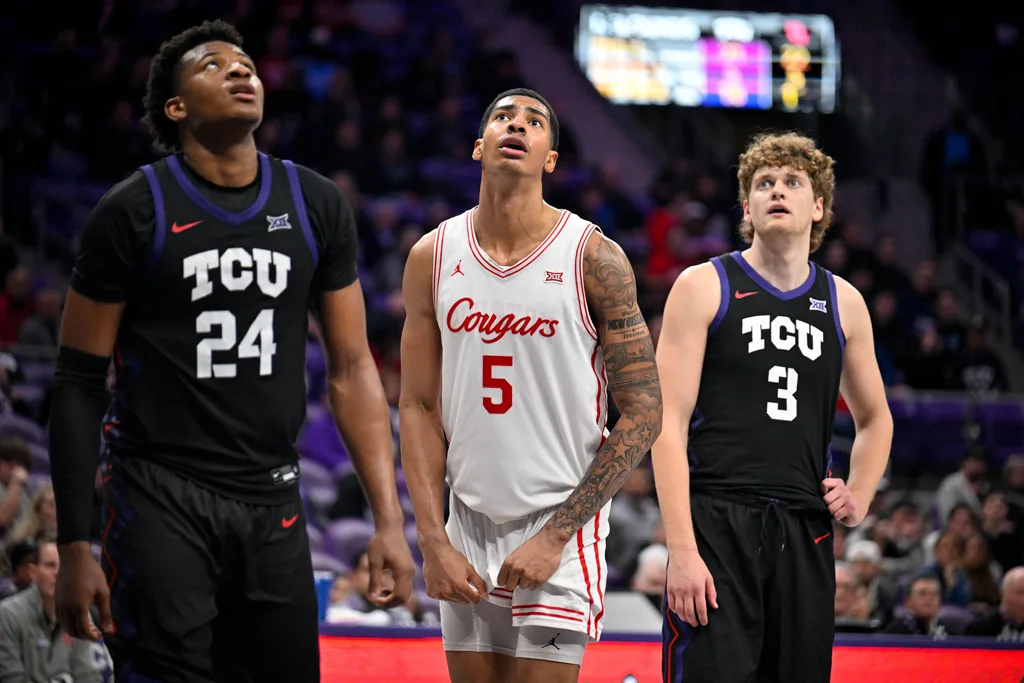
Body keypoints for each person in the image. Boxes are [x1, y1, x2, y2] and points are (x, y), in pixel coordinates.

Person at [47, 20, 414, 683]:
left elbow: (354, 368)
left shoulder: (314, 202)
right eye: (214, 65)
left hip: (271, 491)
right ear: (176, 107)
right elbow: (77, 379)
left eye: (246, 63)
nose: (240, 71)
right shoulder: (132, 210)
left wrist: (389, 519)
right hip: (158, 491)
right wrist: (73, 541)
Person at [399, 88, 662, 683]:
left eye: (535, 121)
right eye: (501, 117)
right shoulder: (433, 256)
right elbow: (416, 404)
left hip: (559, 518)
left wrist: (559, 533)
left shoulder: (594, 257)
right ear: (478, 147)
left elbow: (645, 412)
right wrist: (432, 541)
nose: (516, 125)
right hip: (465, 518)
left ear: (550, 159)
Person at [652, 132, 893, 682]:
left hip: (804, 528)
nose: (776, 191)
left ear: (818, 207)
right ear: (747, 208)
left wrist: (860, 492)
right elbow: (666, 421)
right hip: (717, 520)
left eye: (791, 183)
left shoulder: (844, 302)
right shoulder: (703, 285)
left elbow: (876, 418)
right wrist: (682, 549)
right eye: (763, 184)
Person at [0, 537, 114, 682]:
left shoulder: (79, 615)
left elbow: (87, 675)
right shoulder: (8, 614)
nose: (58, 574)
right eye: (50, 565)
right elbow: (10, 678)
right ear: (33, 572)